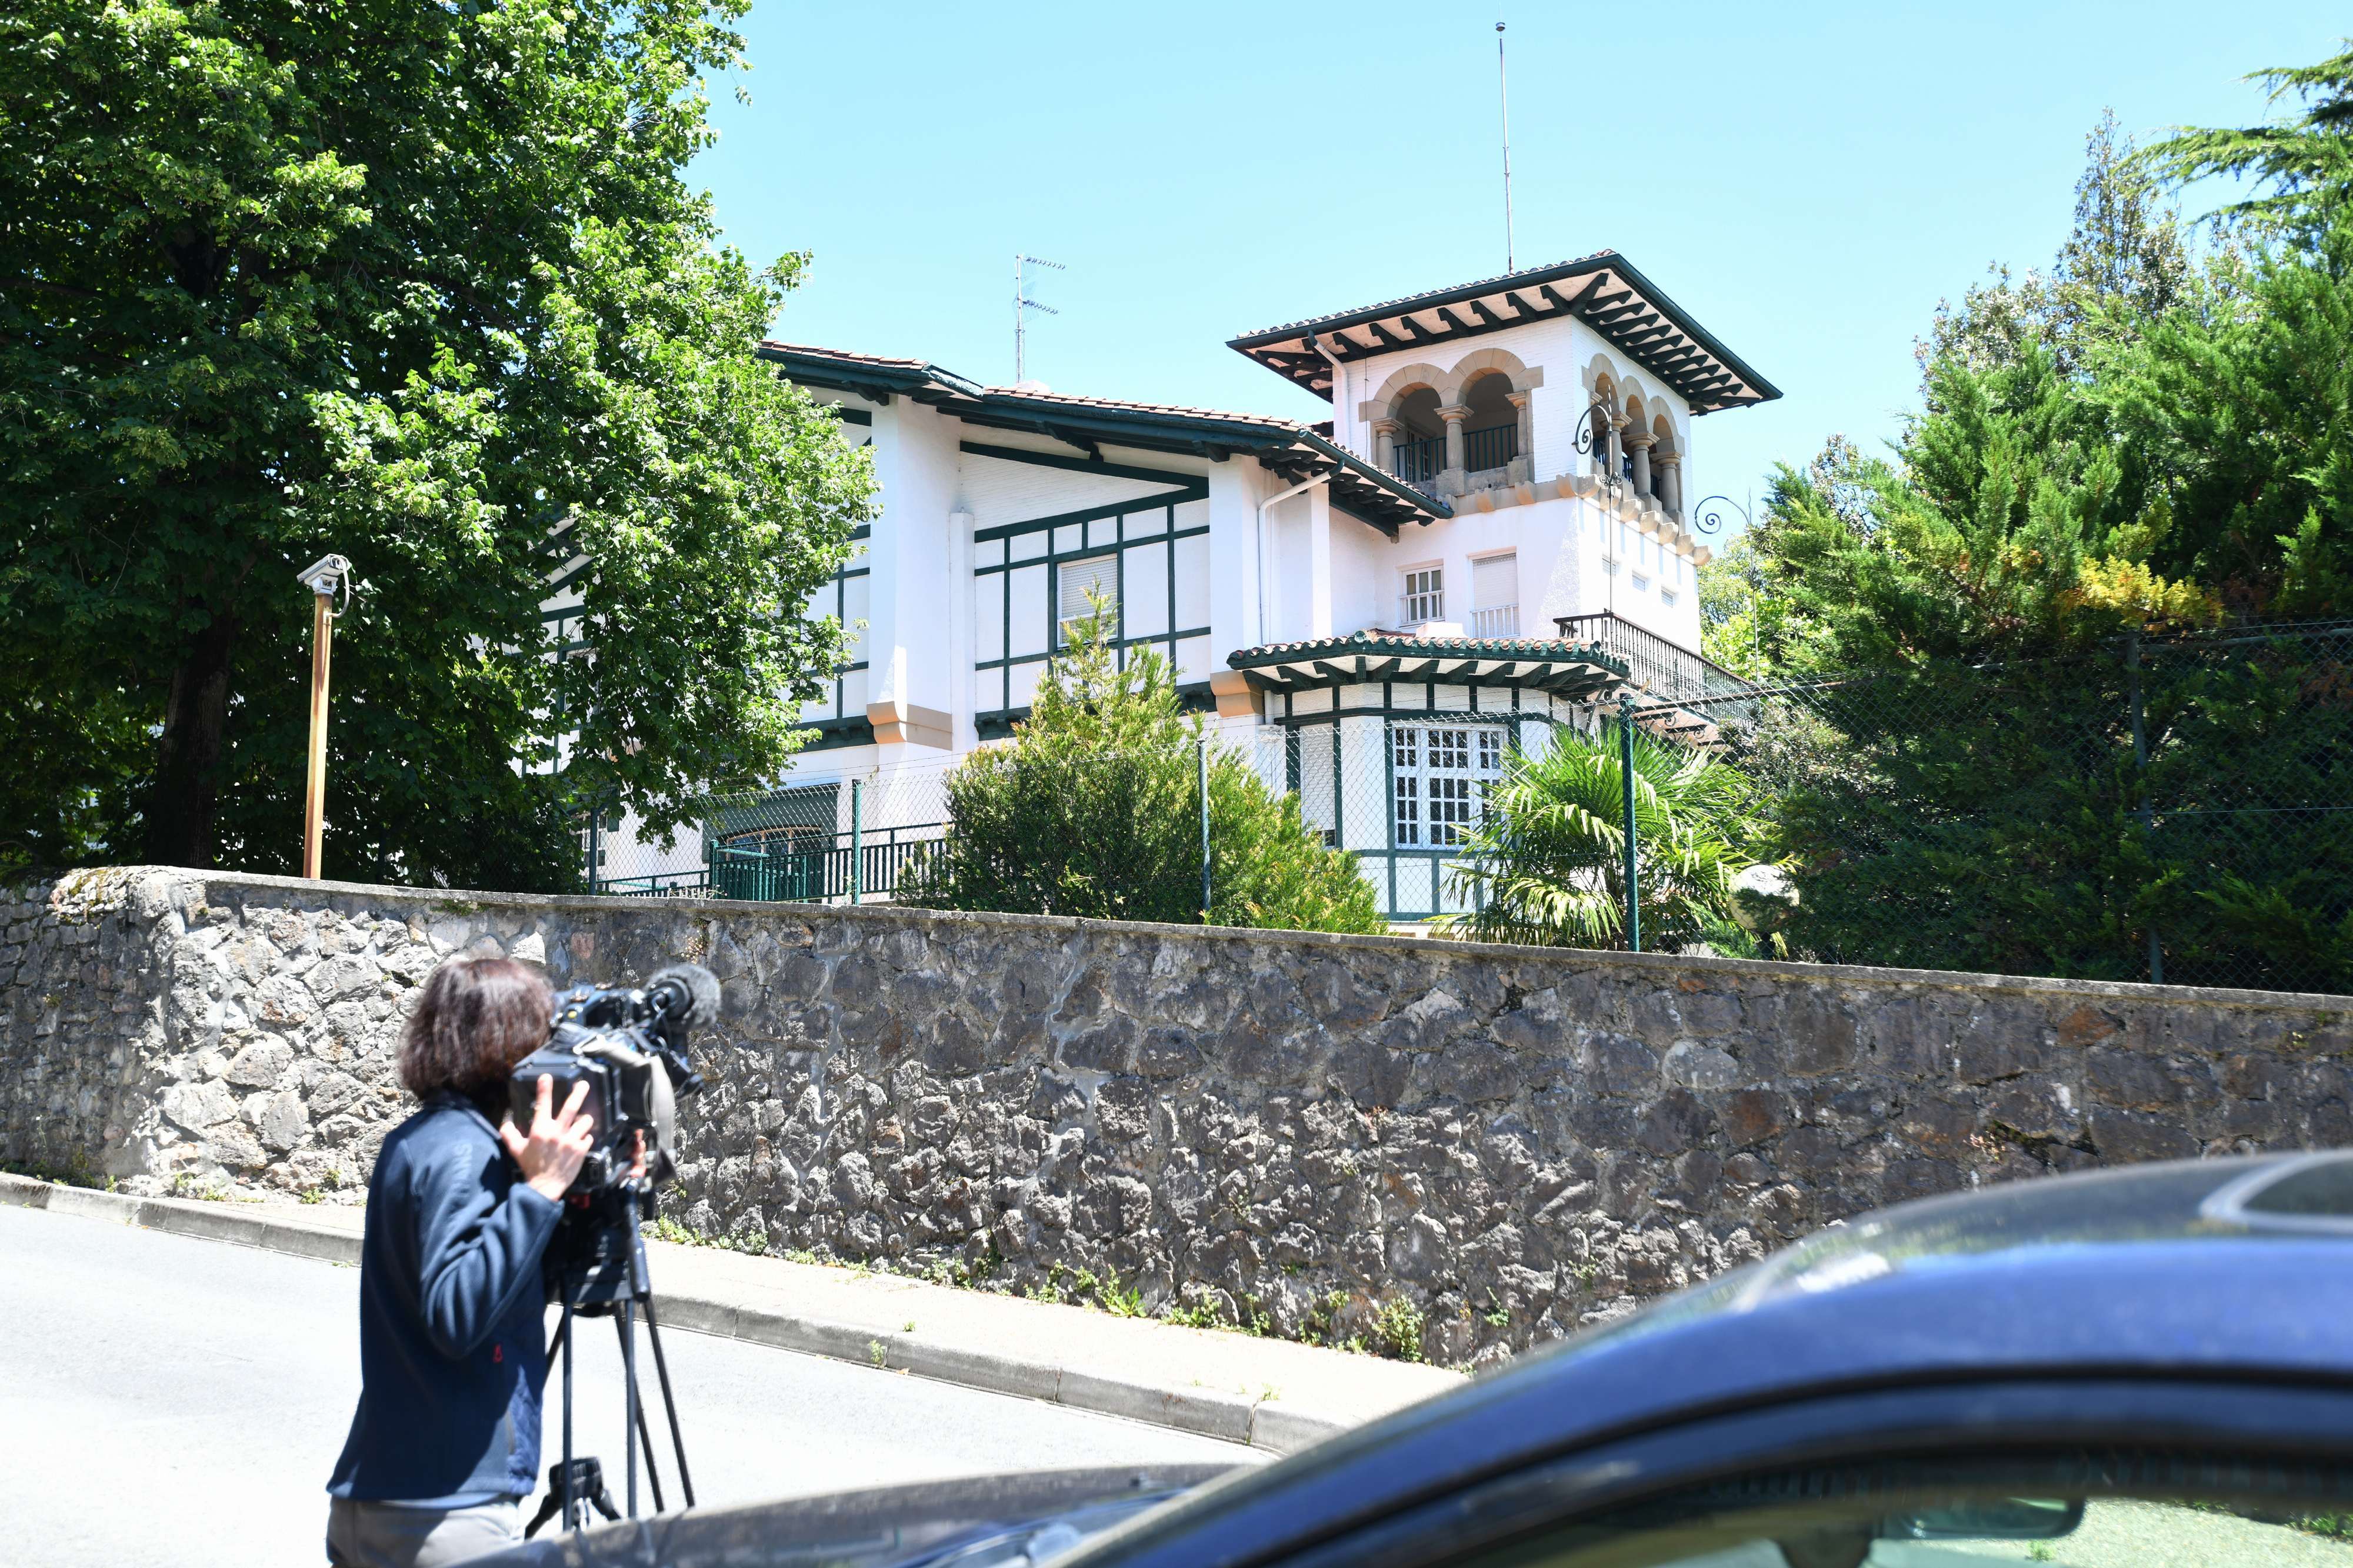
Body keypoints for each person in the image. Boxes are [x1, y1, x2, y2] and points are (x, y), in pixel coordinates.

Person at [324, 955, 605, 1567]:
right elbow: (456, 1312)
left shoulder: (424, 1138)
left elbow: (497, 1287)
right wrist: (538, 1192)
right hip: (442, 1514)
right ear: (504, 1043)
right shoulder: (461, 1153)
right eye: (539, 1035)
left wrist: (577, 1202)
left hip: (389, 1496)